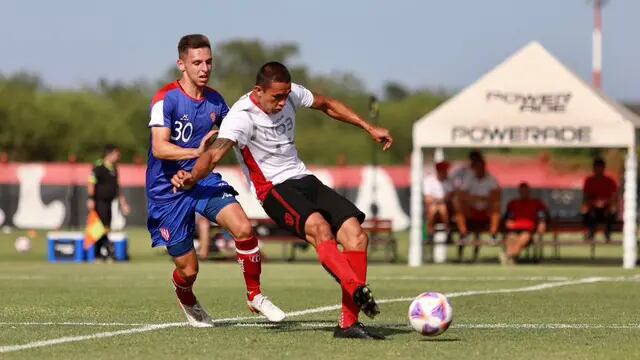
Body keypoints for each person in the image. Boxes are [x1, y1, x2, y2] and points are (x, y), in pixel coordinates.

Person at [172, 61, 393, 340]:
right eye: (276, 97)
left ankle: (348, 323)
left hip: (303, 179)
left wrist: (367, 127)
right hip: (274, 190)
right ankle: (355, 287)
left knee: (357, 236)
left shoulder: (291, 93)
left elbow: (326, 104)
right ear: (258, 91)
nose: (282, 102)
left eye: (285, 95)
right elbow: (214, 155)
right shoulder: (241, 116)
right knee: (320, 229)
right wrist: (191, 179)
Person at [146, 34, 284, 327]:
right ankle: (185, 296)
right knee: (189, 271)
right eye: (197, 62)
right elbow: (159, 146)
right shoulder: (165, 99)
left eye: (209, 62)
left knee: (244, 227)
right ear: (181, 64)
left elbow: (236, 132)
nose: (204, 68)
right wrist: (196, 151)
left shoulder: (216, 101)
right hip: (167, 191)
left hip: (202, 183)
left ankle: (255, 295)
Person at [87, 144, 130, 261]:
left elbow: (117, 187)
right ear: (109, 154)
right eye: (116, 153)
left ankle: (104, 251)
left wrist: (123, 203)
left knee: (106, 227)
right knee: (99, 228)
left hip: (109, 203)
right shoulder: (99, 166)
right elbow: (91, 182)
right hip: (99, 202)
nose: (118, 156)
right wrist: (90, 198)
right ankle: (99, 253)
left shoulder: (114, 168)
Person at [453, 156, 501, 259]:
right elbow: (461, 195)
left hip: (486, 212)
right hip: (471, 211)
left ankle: (493, 235)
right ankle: (464, 233)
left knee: (496, 206)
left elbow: (495, 196)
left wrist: (476, 198)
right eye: (476, 167)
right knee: (458, 204)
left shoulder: (491, 179)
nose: (478, 170)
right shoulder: (469, 177)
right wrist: (476, 198)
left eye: (480, 167)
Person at [501, 182, 548, 265]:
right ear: (519, 191)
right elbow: (508, 216)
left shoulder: (536, 203)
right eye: (522, 191)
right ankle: (511, 258)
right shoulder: (513, 203)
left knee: (524, 237)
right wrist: (508, 221)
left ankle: (507, 255)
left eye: (526, 191)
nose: (524, 192)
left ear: (529, 191)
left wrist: (542, 223)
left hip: (528, 230)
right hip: (514, 228)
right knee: (511, 238)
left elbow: (542, 215)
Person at [582, 157, 618, 242]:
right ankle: (590, 233)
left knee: (613, 209)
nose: (598, 169)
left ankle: (607, 234)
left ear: (603, 168)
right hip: (592, 209)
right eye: (596, 167)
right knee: (585, 209)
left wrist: (604, 203)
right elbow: (586, 198)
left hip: (606, 209)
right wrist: (594, 204)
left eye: (600, 167)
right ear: (593, 168)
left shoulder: (610, 181)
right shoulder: (589, 181)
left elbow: (613, 198)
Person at [423, 161, 454, 235]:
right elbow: (427, 198)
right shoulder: (429, 180)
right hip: (433, 206)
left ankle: (431, 231)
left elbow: (450, 195)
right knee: (435, 208)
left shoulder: (449, 181)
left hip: (446, 207)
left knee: (441, 208)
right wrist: (440, 200)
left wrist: (437, 200)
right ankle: (446, 230)